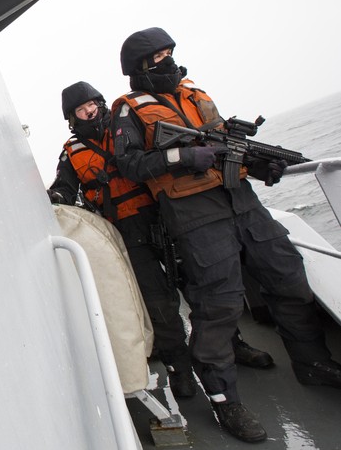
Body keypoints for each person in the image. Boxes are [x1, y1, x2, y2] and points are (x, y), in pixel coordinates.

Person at [111, 27, 341, 443]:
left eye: (169, 53)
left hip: (242, 201)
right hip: (195, 213)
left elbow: (225, 147)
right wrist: (183, 155)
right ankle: (224, 400)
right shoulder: (127, 111)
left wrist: (259, 165)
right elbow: (130, 165)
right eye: (158, 57)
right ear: (140, 68)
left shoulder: (194, 94)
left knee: (288, 275)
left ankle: (313, 363)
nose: (168, 61)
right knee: (219, 304)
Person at [48, 82, 272, 402]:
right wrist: (55, 197)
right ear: (73, 118)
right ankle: (180, 367)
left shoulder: (128, 127)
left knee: (201, 284)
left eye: (92, 104)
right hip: (128, 232)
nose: (89, 112)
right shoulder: (71, 153)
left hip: (166, 215)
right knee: (160, 303)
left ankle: (233, 345)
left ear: (100, 103)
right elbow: (65, 191)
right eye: (81, 110)